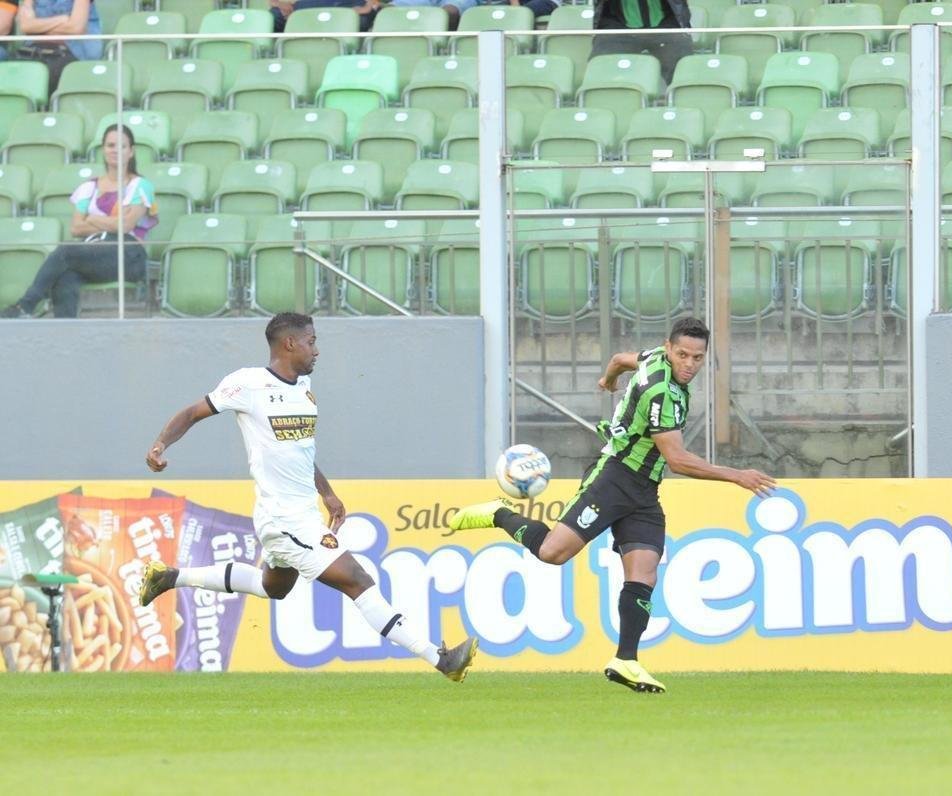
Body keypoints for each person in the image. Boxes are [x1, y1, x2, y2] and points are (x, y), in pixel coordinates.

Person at [138, 312, 479, 682]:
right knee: (358, 579)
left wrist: (328, 494)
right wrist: (160, 445)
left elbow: (300, 451)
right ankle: (440, 659)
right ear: (289, 344)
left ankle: (170, 578)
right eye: (311, 341)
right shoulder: (248, 384)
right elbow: (192, 412)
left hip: (302, 514)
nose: (316, 350)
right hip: (283, 518)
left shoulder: (304, 388)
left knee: (273, 586)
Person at [448, 317, 775, 693]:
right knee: (553, 553)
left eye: (697, 358)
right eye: (682, 354)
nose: (688, 363)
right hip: (614, 478)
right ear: (669, 348)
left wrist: (609, 381)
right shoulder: (661, 394)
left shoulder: (653, 358)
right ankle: (498, 513)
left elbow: (621, 358)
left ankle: (626, 661)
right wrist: (737, 476)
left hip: (644, 491)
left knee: (644, 572)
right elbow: (678, 460)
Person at [1, 124, 156, 319]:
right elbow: (76, 228)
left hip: (129, 253)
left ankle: (26, 306)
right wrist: (112, 221)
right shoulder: (89, 187)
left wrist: (91, 218)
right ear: (103, 150)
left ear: (131, 152)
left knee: (65, 252)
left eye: (122, 146)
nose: (115, 150)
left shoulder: (140, 185)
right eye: (110, 145)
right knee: (65, 276)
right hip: (94, 251)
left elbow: (126, 226)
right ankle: (65, 332)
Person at [589, 0, 693, 84]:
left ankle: (681, 102)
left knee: (683, 68)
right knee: (601, 65)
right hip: (617, 26)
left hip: (666, 25)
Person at [14, 0, 101, 94]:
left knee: (50, 74)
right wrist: (61, 20)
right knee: (13, 73)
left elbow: (76, 28)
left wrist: (38, 28)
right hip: (34, 52)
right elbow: (25, 26)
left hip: (72, 53)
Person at [269, 0, 382, 32]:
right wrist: (278, 3)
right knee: (274, 16)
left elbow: (373, 4)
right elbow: (273, 2)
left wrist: (368, 7)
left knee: (361, 21)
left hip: (348, 4)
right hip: (305, 4)